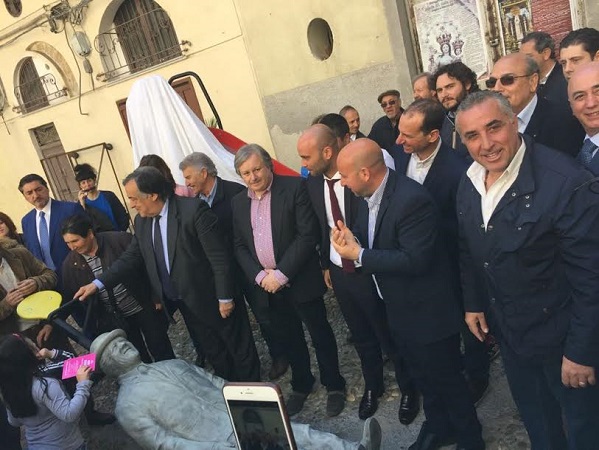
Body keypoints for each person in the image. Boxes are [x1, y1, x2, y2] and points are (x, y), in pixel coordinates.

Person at [456, 90, 599, 449]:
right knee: (539, 423)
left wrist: (581, 352)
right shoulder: (470, 180)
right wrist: (474, 302)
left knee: (584, 429)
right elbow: (469, 247)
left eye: (494, 127)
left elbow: (592, 278)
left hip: (562, 340)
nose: (486, 144)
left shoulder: (566, 182)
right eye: (472, 135)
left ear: (514, 123)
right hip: (512, 334)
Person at [331, 138, 484, 450]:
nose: (342, 183)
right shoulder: (367, 196)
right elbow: (370, 234)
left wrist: (359, 255)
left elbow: (415, 260)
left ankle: (470, 439)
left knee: (448, 381)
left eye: (344, 176)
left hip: (428, 313)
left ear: (364, 173)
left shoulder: (412, 200)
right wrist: (352, 237)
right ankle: (439, 427)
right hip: (398, 308)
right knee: (424, 378)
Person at [73, 166, 260, 382]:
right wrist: (97, 284)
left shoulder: (193, 211)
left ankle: (255, 391)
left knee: (238, 348)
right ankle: (227, 389)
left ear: (152, 195)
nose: (131, 204)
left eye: (134, 198)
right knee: (214, 351)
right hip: (186, 302)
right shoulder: (143, 221)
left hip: (214, 298)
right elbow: (130, 257)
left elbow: (220, 258)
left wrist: (225, 297)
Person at [299, 124, 418, 423]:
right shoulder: (312, 183)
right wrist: (326, 265)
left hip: (370, 267)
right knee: (361, 334)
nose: (303, 164)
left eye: (306, 157)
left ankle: (409, 387)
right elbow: (321, 226)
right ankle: (373, 385)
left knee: (387, 332)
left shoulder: (360, 177)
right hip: (339, 270)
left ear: (327, 152)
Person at [90, 329, 382, 450]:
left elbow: (218, 383)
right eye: (113, 348)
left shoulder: (172, 364)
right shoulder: (127, 406)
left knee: (300, 434)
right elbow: (165, 444)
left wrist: (252, 400)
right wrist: (214, 448)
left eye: (121, 340)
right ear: (108, 365)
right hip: (213, 441)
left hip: (239, 416)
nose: (122, 344)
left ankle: (355, 449)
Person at [232, 144, 346, 417]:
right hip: (267, 286)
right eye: (246, 173)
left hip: (300, 279)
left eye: (257, 169)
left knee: (319, 334)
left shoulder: (295, 188)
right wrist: (260, 276)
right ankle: (301, 384)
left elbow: (307, 235)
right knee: (290, 336)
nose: (253, 177)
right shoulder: (238, 202)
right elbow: (239, 244)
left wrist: (281, 274)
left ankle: (334, 385)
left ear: (268, 165)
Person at [394, 99, 490, 405]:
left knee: (469, 323)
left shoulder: (459, 170)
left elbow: (466, 228)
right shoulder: (400, 158)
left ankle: (477, 376)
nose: (399, 140)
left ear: (433, 135)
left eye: (408, 135)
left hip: (453, 263)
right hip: (419, 265)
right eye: (400, 132)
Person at [179, 152, 288, 379]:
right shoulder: (194, 203)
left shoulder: (236, 193)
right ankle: (247, 366)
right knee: (235, 322)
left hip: (247, 267)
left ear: (204, 173)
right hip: (221, 274)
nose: (186, 183)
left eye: (188, 176)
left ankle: (280, 355)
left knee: (264, 314)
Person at [60, 214, 175, 363]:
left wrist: (156, 296)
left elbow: (148, 267)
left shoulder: (120, 241)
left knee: (161, 348)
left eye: (75, 241)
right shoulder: (70, 264)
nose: (72, 247)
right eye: (67, 243)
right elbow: (72, 298)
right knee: (135, 357)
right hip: (116, 319)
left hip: (144, 306)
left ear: (90, 233)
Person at [0, 334, 92, 450]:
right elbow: (69, 414)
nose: (35, 345)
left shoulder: (7, 390)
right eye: (32, 345)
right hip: (65, 444)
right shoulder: (45, 385)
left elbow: (14, 422)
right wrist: (83, 384)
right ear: (27, 356)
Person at [487, 53, 584, 157]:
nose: (497, 88)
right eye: (492, 82)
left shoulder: (564, 120)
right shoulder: (486, 122)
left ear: (532, 82)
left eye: (508, 80)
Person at [18, 174, 83, 278]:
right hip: (48, 279)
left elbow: (86, 240)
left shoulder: (70, 210)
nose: (35, 195)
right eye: (29, 193)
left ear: (47, 188)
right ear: (25, 197)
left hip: (77, 273)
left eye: (38, 189)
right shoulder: (26, 221)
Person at [433, 62, 479, 160]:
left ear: (467, 84)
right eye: (439, 90)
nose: (444, 94)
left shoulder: (485, 112)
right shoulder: (441, 121)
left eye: (450, 87)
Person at [74, 163, 129, 232]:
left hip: (117, 234)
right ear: (80, 186)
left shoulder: (109, 196)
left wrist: (122, 230)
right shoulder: (81, 204)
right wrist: (82, 205)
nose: (87, 185)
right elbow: (82, 224)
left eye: (89, 181)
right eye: (83, 183)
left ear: (94, 180)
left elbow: (122, 215)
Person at [520, 31, 569, 108]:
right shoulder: (528, 83)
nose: (524, 62)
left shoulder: (566, 77)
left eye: (529, 57)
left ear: (546, 53)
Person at [569, 61, 599, 175]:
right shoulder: (570, 147)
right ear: (571, 106)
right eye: (580, 96)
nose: (591, 103)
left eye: (598, 91)